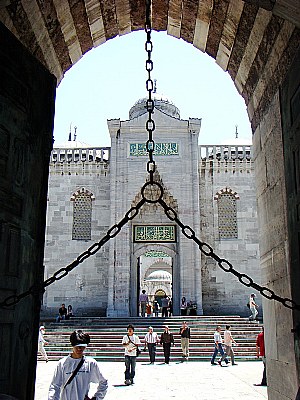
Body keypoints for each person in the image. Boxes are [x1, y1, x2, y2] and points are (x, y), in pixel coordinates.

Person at [48, 329, 108, 400]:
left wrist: (96, 398)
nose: (79, 349)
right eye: (77, 346)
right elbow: (55, 386)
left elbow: (103, 382)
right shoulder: (62, 363)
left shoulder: (91, 363)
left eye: (82, 346)